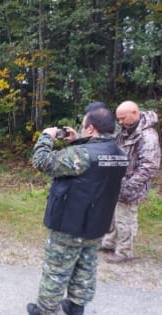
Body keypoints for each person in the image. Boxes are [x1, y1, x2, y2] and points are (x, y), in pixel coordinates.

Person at [27, 108, 128, 315]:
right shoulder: (120, 154)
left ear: (91, 128)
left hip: (70, 223)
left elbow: (42, 161)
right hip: (98, 223)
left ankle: (44, 310)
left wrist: (46, 137)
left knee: (56, 270)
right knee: (86, 267)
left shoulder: (81, 154)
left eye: (83, 126)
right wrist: (78, 140)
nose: (81, 129)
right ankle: (76, 306)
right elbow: (91, 170)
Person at [101, 101, 161, 263]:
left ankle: (125, 252)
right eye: (118, 119)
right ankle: (108, 243)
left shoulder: (147, 136)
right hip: (117, 182)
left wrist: (128, 186)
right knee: (113, 215)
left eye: (123, 118)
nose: (120, 122)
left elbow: (150, 166)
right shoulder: (126, 130)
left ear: (135, 113)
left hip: (131, 186)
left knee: (125, 218)